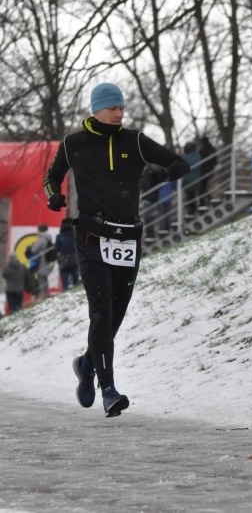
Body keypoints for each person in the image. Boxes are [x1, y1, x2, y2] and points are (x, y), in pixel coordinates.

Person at [43, 82, 189, 418]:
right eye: (112, 108)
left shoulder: (134, 141)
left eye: (122, 107)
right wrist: (54, 197)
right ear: (96, 109)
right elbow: (52, 177)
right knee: (101, 312)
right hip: (90, 236)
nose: (119, 113)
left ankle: (87, 364)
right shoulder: (73, 144)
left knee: (117, 314)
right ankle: (108, 389)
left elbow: (181, 164)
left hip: (127, 238)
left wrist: (158, 177)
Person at [28, 223, 54, 299]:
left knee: (41, 278)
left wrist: (32, 246)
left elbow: (33, 249)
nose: (37, 232)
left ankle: (42, 296)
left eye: (38, 230)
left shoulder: (41, 239)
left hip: (42, 261)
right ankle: (45, 294)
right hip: (48, 261)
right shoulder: (49, 238)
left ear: (40, 231)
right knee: (45, 278)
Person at [55, 217, 80, 290]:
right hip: (74, 258)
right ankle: (76, 286)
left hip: (63, 259)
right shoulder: (75, 235)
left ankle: (65, 288)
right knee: (75, 274)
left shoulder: (59, 236)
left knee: (64, 275)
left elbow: (56, 249)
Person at [183, 141, 202, 216]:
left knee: (189, 197)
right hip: (197, 179)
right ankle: (194, 209)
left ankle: (191, 211)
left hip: (188, 181)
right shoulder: (198, 156)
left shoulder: (185, 157)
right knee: (194, 195)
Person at [198, 135, 217, 206]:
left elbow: (200, 161)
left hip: (203, 171)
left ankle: (204, 202)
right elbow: (215, 160)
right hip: (210, 170)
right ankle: (207, 200)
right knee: (203, 187)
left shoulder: (202, 150)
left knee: (202, 187)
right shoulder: (212, 149)